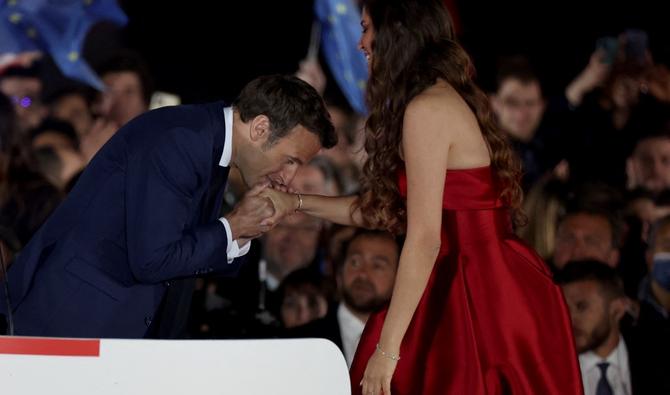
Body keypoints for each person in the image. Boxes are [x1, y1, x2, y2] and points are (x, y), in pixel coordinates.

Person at [259, 1, 582, 393]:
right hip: (470, 280)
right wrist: (294, 203)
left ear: (395, 35)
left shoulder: (427, 109)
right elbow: (385, 212)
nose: (360, 42)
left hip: (478, 292)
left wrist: (387, 351)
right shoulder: (431, 100)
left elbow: (426, 238)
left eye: (366, 28)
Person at [0, 75, 337, 338]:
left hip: (105, 331)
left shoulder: (208, 144)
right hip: (68, 326)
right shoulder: (181, 140)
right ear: (260, 128)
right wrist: (232, 228)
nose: (289, 177)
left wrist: (242, 231)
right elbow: (153, 259)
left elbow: (183, 255)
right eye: (291, 160)